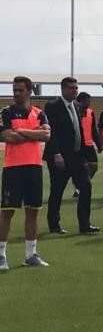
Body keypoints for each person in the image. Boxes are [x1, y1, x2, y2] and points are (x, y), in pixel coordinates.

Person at [0, 76, 52, 270]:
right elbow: (9, 137)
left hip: (34, 167)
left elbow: (47, 135)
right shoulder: (6, 112)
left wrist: (21, 130)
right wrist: (33, 132)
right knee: (6, 213)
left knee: (33, 212)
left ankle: (31, 254)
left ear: (30, 91)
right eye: (14, 90)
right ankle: (1, 255)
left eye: (20, 90)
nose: (16, 94)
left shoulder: (40, 114)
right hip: (13, 168)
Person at [44, 77, 99, 235]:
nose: (74, 91)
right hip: (59, 156)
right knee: (57, 190)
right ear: (63, 89)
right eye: (71, 88)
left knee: (86, 186)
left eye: (76, 88)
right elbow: (51, 132)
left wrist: (86, 154)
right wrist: (56, 153)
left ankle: (85, 224)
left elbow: (79, 130)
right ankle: (54, 225)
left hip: (77, 156)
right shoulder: (52, 106)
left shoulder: (77, 105)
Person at [74, 92, 102, 198]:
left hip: (89, 144)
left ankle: (81, 185)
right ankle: (78, 188)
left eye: (89, 100)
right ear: (80, 101)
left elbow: (93, 129)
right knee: (79, 168)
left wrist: (99, 144)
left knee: (94, 166)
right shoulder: (75, 112)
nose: (89, 102)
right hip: (78, 145)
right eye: (87, 100)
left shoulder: (91, 112)